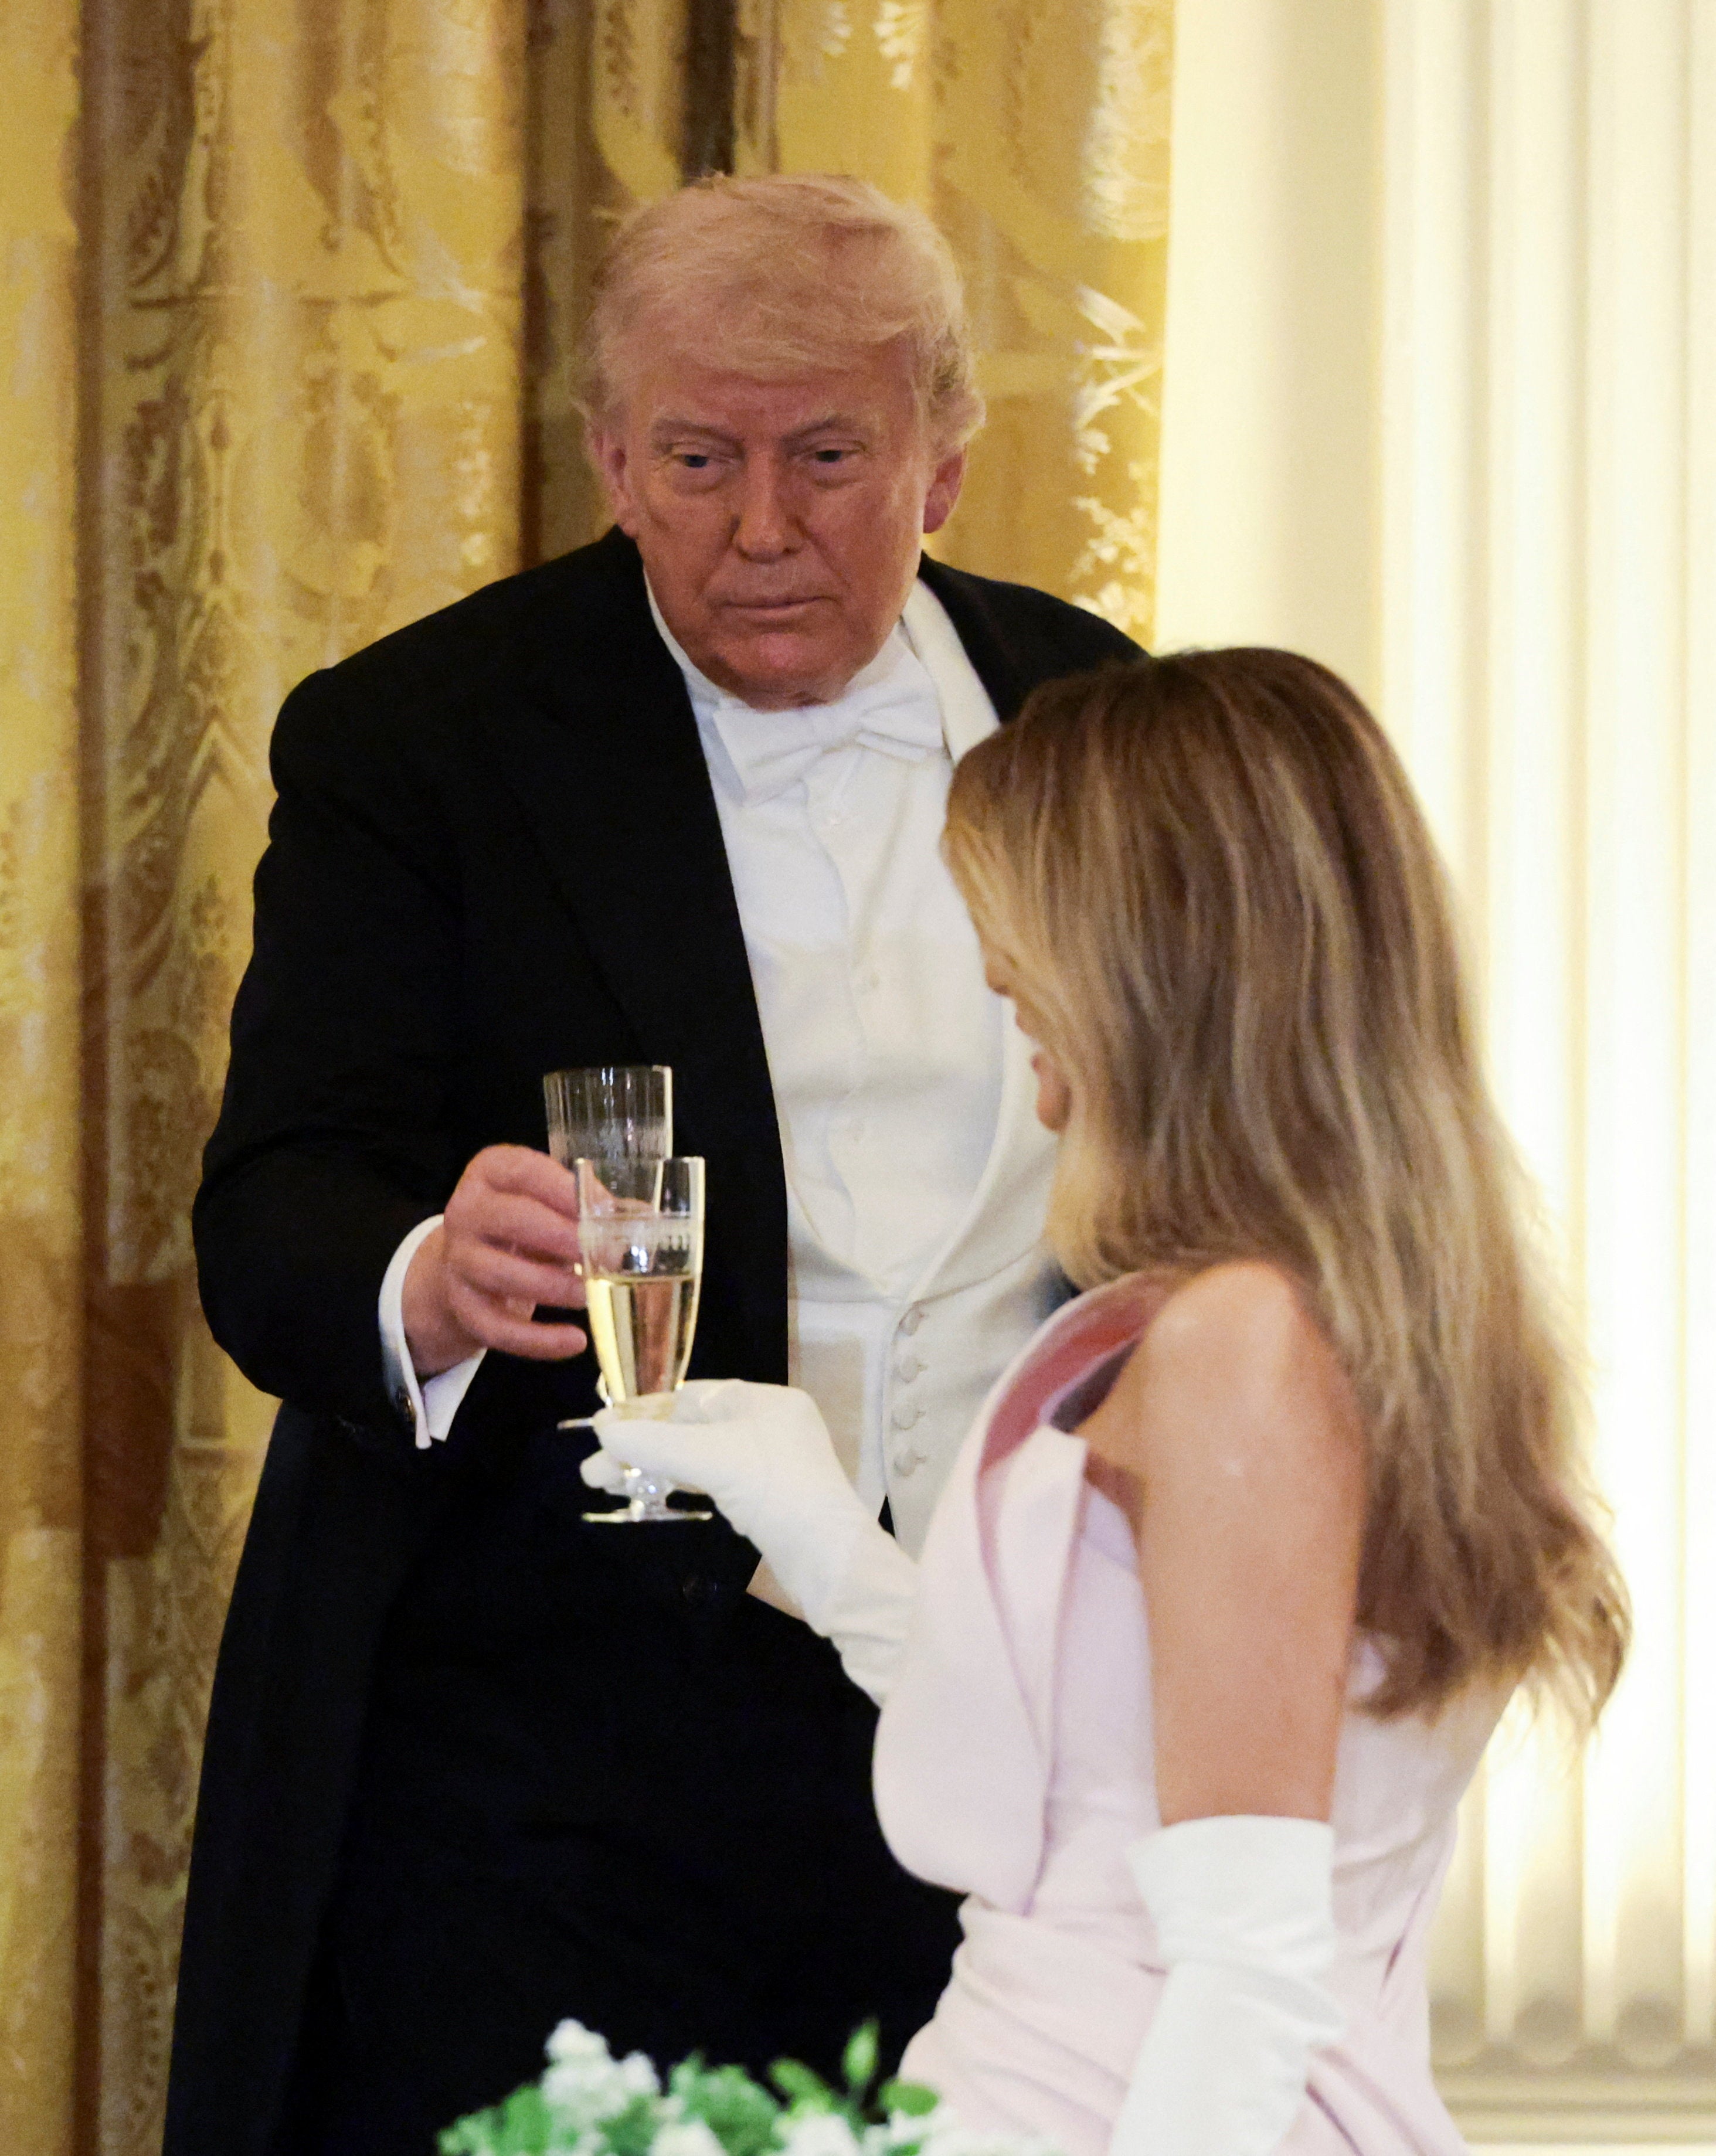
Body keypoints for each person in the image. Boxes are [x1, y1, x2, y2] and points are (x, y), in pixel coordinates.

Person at [165, 175, 1139, 2156]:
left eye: (827, 455)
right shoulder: (422, 736)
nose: (760, 522)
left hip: (1009, 1724)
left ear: (945, 457)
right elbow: (276, 1201)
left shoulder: (1098, 706)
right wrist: (427, 1271)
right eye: (698, 459)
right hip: (562, 1752)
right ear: (612, 461)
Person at [589, 649, 1630, 2156]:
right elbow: (1087, 1778)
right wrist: (819, 1534)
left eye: (1025, 945)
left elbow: (1249, 1984)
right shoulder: (1301, 1318)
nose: (997, 988)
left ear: (1159, 964)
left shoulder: (1242, 1348)